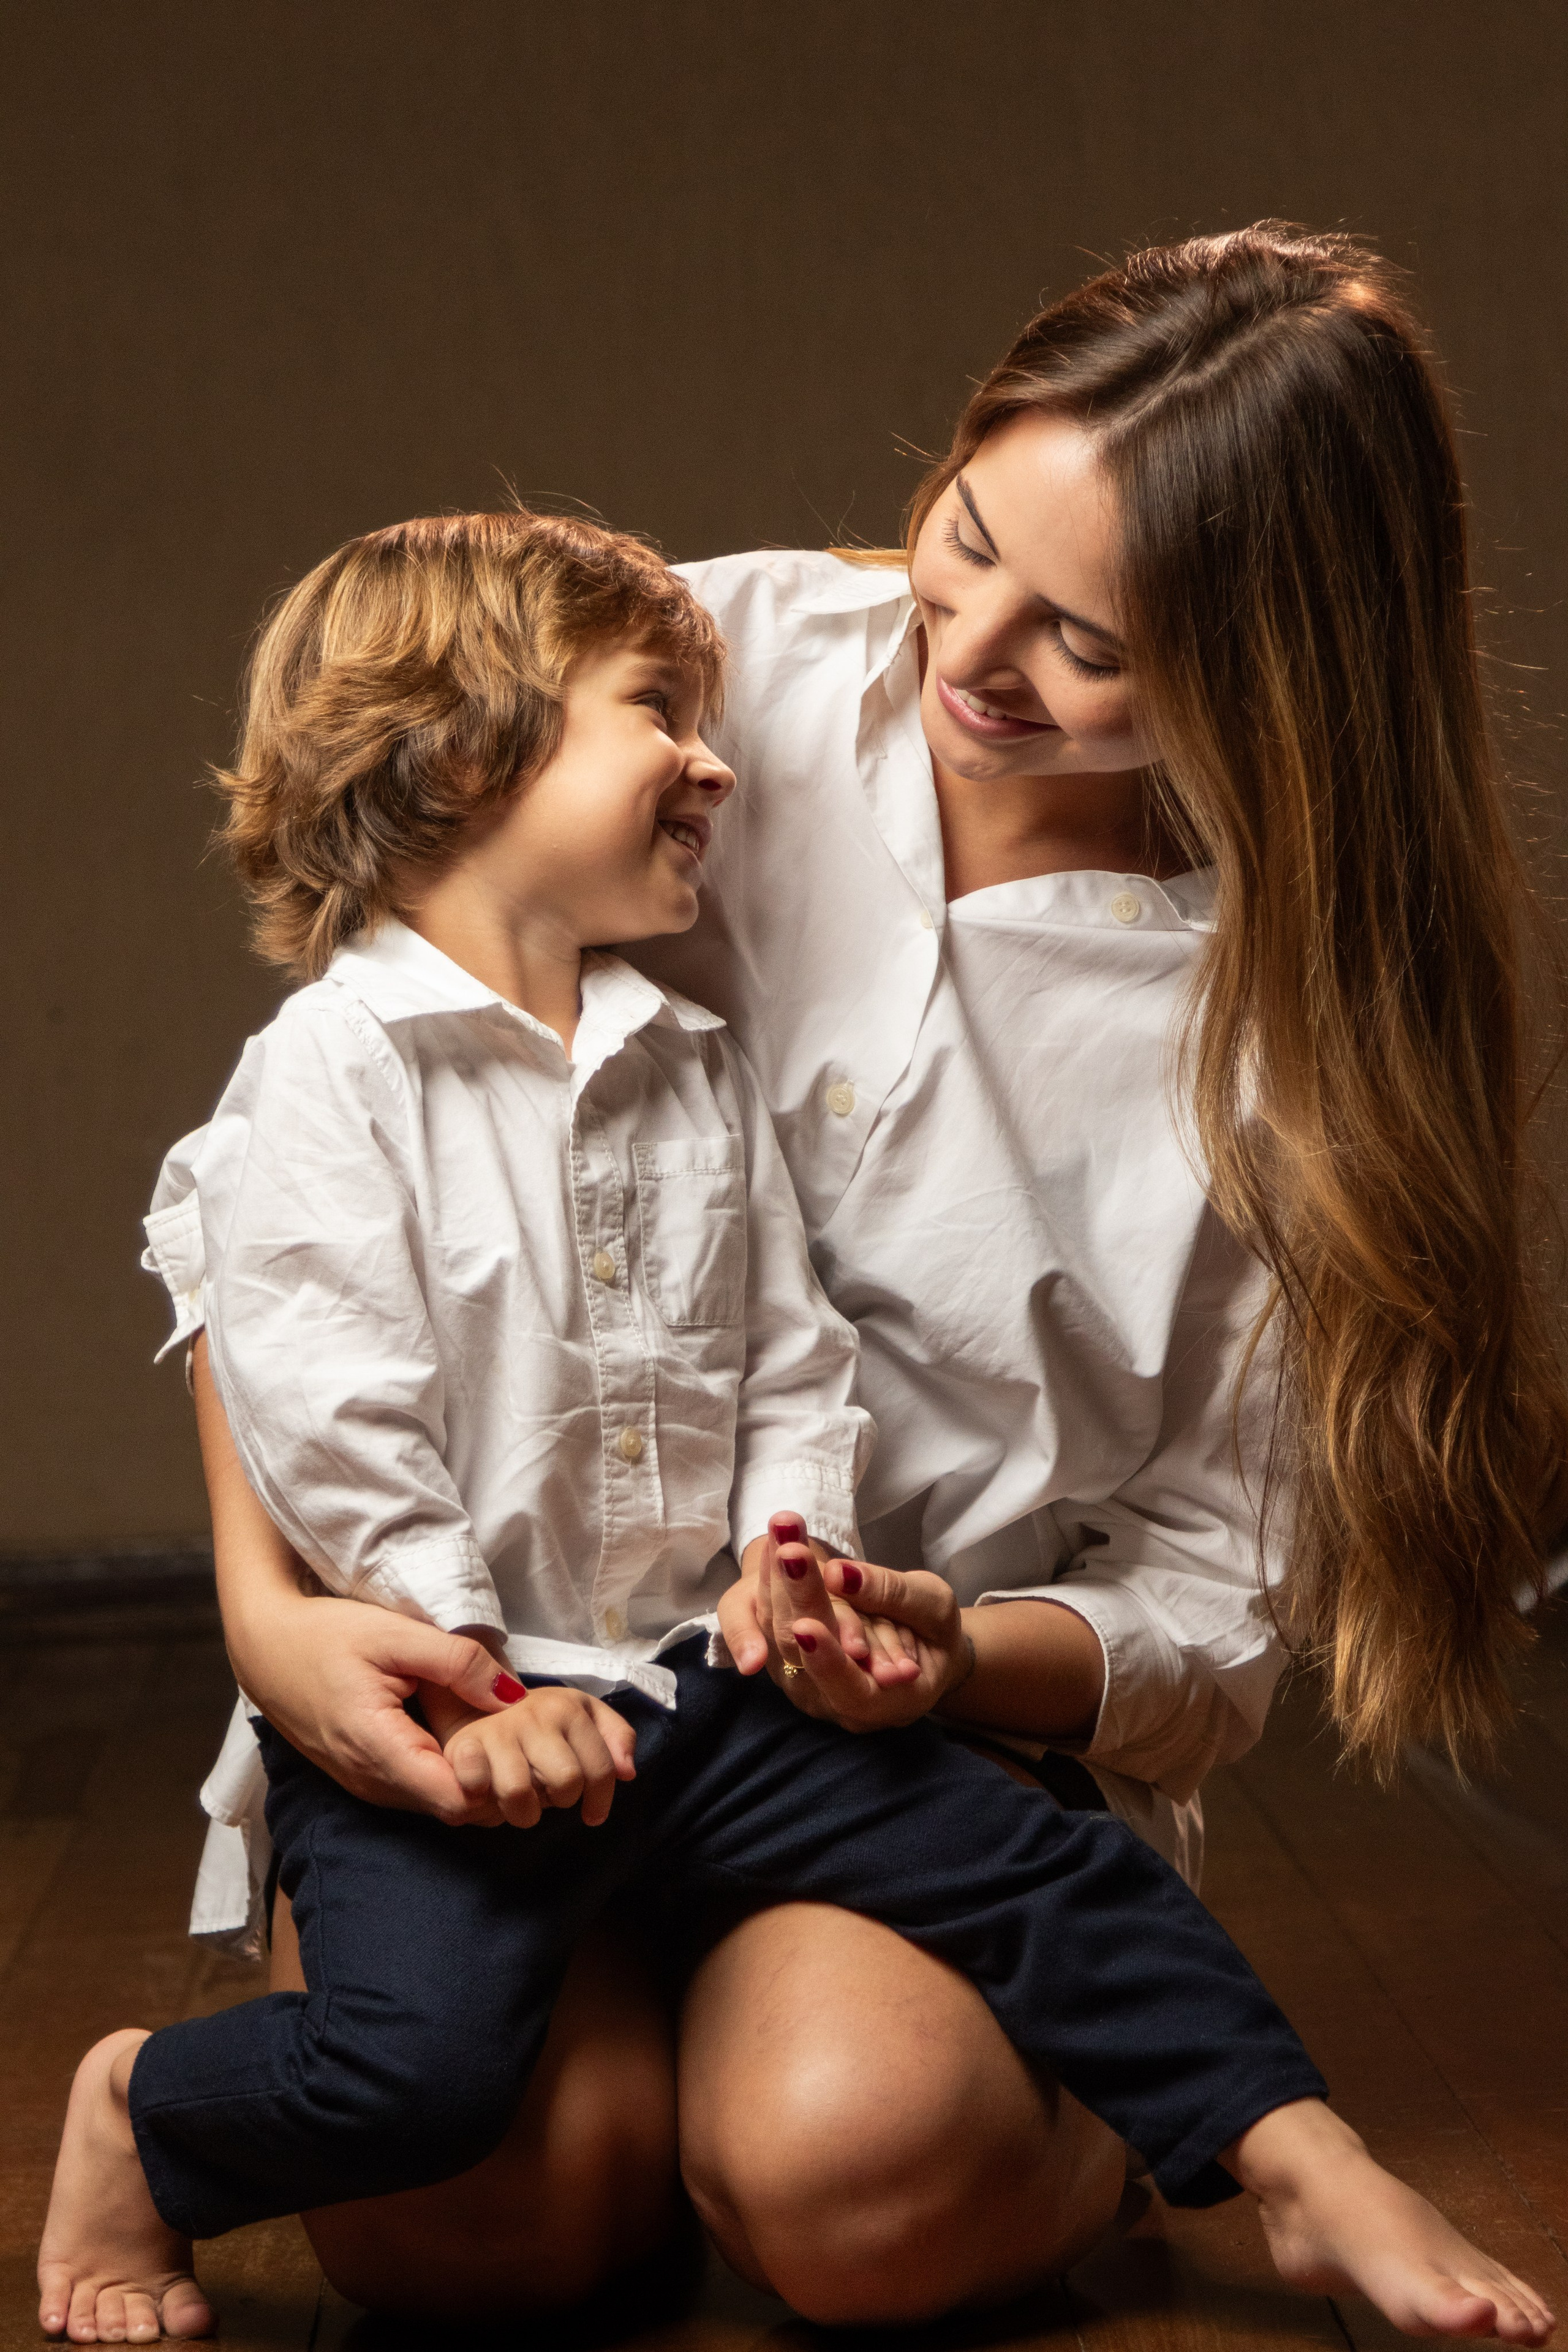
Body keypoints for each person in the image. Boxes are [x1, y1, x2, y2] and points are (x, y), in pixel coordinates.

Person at [57, 220, 1567, 2343]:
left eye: (1095, 645)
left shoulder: (1283, 1040)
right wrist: (276, 1615)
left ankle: (1155, 2115)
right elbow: (305, 1171)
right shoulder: (703, 669)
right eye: (964, 538)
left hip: (898, 1739)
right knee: (480, 2212)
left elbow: (1210, 1609)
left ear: (1271, 670)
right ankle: (574, 2036)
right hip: (506, 1677)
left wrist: (934, 1651)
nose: (973, 651)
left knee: (851, 2182)